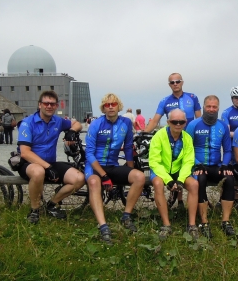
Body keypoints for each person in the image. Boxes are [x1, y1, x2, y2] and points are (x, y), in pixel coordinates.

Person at [85, 93, 146, 245]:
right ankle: (103, 226)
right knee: (93, 183)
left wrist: (130, 170)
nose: (111, 107)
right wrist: (104, 176)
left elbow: (127, 148)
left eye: (113, 104)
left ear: (119, 106)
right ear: (103, 108)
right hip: (95, 166)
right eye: (107, 105)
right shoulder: (96, 124)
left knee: (139, 177)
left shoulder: (125, 122)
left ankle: (126, 216)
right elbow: (89, 154)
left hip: (112, 165)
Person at [17, 90, 85, 224]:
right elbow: (25, 152)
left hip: (50, 163)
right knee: (38, 172)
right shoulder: (27, 123)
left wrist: (71, 131)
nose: (49, 106)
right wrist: (47, 167)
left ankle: (51, 205)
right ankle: (35, 210)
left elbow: (77, 123)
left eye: (52, 104)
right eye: (46, 103)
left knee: (79, 178)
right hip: (29, 164)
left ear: (56, 106)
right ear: (40, 105)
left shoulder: (57, 121)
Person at [144, 72, 201, 206]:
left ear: (182, 82)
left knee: (186, 167)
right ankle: (178, 199)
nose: (175, 84)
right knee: (173, 163)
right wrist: (143, 133)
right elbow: (155, 120)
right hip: (172, 138)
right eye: (172, 82)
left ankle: (182, 200)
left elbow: (199, 119)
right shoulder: (165, 101)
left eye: (177, 81)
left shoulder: (192, 97)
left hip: (188, 138)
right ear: (169, 84)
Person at [186, 95, 236, 238]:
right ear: (203, 107)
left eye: (214, 107)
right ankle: (204, 221)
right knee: (200, 180)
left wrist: (225, 165)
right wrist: (196, 164)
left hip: (216, 165)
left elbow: (227, 150)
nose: (211, 109)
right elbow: (187, 149)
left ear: (218, 108)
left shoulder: (222, 126)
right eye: (209, 106)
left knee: (229, 178)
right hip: (198, 164)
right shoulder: (193, 125)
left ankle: (225, 221)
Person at [148, 108, 200, 241]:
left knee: (194, 184)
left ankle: (192, 225)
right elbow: (154, 161)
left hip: (179, 171)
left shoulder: (187, 138)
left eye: (181, 122)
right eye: (174, 121)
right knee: (158, 183)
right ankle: (166, 224)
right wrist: (168, 180)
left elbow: (188, 162)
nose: (178, 124)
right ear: (168, 122)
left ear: (185, 122)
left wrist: (181, 180)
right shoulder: (159, 136)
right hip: (162, 170)